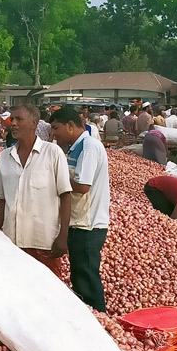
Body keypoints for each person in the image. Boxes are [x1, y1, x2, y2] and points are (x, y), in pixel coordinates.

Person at [0, 105, 71, 277]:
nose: (13, 123)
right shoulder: (5, 156)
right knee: (16, 287)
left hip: (43, 240)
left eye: (19, 119)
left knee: (48, 291)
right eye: (12, 119)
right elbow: (2, 199)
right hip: (13, 240)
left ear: (34, 123)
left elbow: (65, 195)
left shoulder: (53, 152)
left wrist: (63, 236)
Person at [51, 106, 110, 313]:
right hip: (80, 221)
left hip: (89, 224)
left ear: (70, 125)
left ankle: (100, 319)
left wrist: (56, 180)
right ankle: (90, 316)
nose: (54, 133)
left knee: (86, 276)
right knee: (79, 275)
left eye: (56, 128)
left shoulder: (88, 147)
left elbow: (83, 186)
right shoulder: (75, 147)